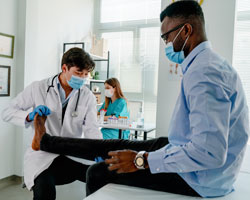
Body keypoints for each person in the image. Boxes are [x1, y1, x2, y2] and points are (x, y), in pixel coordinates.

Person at [31, 1, 250, 198]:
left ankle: (46, 142)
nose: (165, 42)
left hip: (200, 180)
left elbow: (209, 153)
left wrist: (141, 160)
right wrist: (143, 156)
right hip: (189, 153)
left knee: (98, 171)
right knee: (116, 145)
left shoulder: (204, 73)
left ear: (186, 30)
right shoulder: (207, 64)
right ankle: (46, 141)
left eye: (166, 36)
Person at [1, 47, 102, 200]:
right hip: (43, 155)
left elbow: (92, 128)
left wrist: (99, 150)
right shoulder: (38, 88)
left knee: (101, 176)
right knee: (44, 191)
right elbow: (7, 112)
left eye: (86, 74)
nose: (82, 78)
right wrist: (29, 115)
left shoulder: (87, 96)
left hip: (71, 153)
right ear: (64, 68)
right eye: (78, 73)